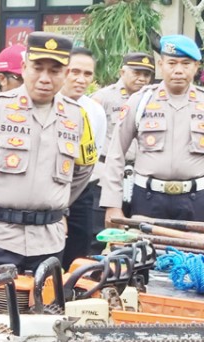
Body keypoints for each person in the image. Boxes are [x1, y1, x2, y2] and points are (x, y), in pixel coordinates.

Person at [0, 32, 96, 274]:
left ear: (66, 73)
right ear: (24, 67)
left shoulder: (76, 116)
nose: (45, 78)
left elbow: (83, 169)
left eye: (55, 71)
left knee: (44, 310)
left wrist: (56, 201)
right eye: (37, 68)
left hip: (49, 241)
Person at [102, 35, 204, 222]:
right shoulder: (140, 101)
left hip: (197, 200)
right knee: (146, 251)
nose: (178, 71)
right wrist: (112, 205)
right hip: (148, 200)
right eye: (172, 63)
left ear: (197, 66)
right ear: (161, 64)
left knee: (196, 252)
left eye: (186, 64)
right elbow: (115, 154)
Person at [91, 51, 154, 228]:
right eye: (136, 73)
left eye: (146, 74)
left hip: (138, 176)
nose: (142, 78)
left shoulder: (152, 100)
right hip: (105, 176)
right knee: (102, 231)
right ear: (122, 72)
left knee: (136, 233)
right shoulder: (102, 98)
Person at [60, 47, 107, 268]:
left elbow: (90, 160)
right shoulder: (49, 104)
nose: (81, 79)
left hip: (81, 192)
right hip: (46, 194)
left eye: (87, 74)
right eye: (74, 71)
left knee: (77, 259)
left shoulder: (95, 111)